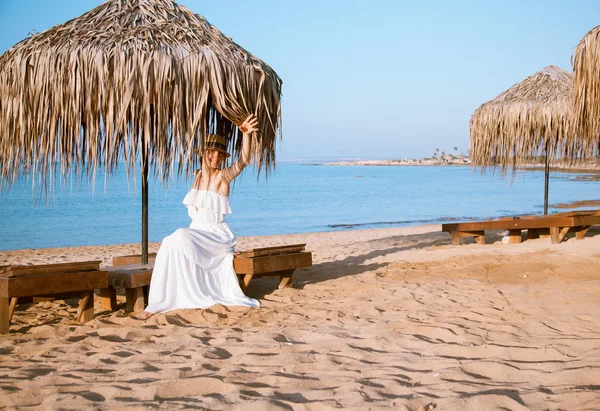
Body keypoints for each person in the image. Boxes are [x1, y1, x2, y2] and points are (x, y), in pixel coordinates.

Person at [132, 114, 260, 320]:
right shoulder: (197, 175)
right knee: (168, 244)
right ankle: (156, 303)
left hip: (216, 235)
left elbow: (244, 160)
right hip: (196, 231)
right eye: (212, 153)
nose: (216, 158)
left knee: (180, 235)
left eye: (219, 154)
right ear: (204, 153)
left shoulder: (223, 177)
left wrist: (245, 135)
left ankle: (175, 299)